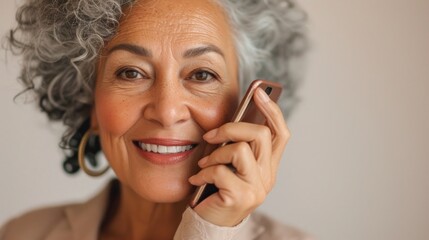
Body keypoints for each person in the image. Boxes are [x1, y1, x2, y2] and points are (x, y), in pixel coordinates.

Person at [1, 0, 309, 239]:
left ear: (248, 106)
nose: (167, 111)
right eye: (131, 72)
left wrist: (210, 231)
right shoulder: (24, 234)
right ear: (89, 104)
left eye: (202, 74)